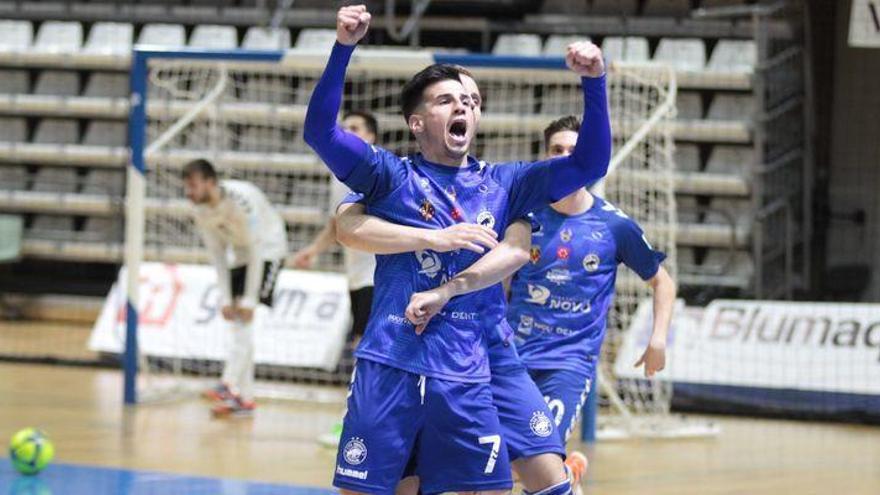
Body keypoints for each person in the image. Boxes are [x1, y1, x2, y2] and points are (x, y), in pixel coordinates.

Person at [304, 5, 609, 494]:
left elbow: (590, 161)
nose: (463, 107)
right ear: (417, 122)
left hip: (470, 362)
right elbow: (321, 133)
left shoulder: (507, 183)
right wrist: (343, 48)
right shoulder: (391, 177)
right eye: (447, 100)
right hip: (393, 357)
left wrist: (595, 82)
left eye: (471, 100)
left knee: (502, 485)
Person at [405, 116, 676, 447]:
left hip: (569, 363)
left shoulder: (614, 226)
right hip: (512, 356)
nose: (564, 156)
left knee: (539, 452)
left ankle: (564, 472)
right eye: (556, 149)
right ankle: (569, 477)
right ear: (545, 155)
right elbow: (497, 276)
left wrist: (657, 339)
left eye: (573, 150)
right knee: (487, 456)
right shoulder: (524, 215)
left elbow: (662, 283)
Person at [292, 111, 379, 446]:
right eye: (344, 127)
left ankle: (355, 424)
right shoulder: (339, 174)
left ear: (371, 137)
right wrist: (313, 250)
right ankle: (362, 421)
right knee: (365, 348)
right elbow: (337, 223)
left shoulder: (376, 170)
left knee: (365, 348)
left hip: (378, 274)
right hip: (356, 276)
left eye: (356, 128)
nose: (347, 132)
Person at [183, 159, 288, 417]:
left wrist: (250, 298)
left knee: (245, 317)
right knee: (240, 325)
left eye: (194, 186)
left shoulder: (240, 202)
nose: (189, 192)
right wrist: (226, 297)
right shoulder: (200, 210)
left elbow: (256, 250)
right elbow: (218, 254)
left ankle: (228, 383)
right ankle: (244, 398)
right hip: (240, 253)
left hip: (268, 248)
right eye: (186, 187)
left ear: (210, 182)